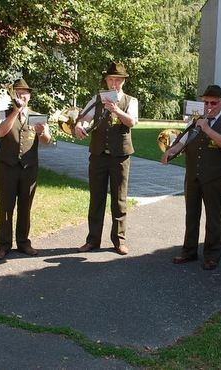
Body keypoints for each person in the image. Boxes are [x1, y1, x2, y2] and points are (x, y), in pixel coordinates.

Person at [162, 85, 221, 270]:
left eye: (213, 103)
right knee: (191, 215)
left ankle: (212, 255)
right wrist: (170, 152)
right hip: (193, 176)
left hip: (214, 178)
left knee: (213, 217)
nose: (209, 106)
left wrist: (208, 129)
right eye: (205, 102)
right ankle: (188, 251)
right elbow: (181, 142)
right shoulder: (194, 121)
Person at [73, 62, 138, 255]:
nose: (114, 83)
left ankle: (119, 240)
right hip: (99, 156)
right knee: (96, 198)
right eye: (111, 79)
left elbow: (132, 122)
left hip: (120, 156)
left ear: (123, 81)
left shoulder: (130, 101)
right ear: (106, 80)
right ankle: (93, 240)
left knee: (119, 199)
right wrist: (79, 125)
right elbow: (84, 117)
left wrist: (116, 110)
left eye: (118, 80)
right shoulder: (97, 99)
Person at [0, 79, 52, 260]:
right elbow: (0, 133)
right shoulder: (3, 113)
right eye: (17, 93)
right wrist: (15, 112)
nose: (21, 95)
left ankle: (23, 242)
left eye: (24, 93)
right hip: (7, 167)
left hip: (29, 167)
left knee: (25, 206)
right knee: (6, 207)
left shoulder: (37, 115)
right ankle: (3, 245)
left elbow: (47, 141)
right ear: (12, 96)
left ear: (30, 95)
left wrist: (42, 131)